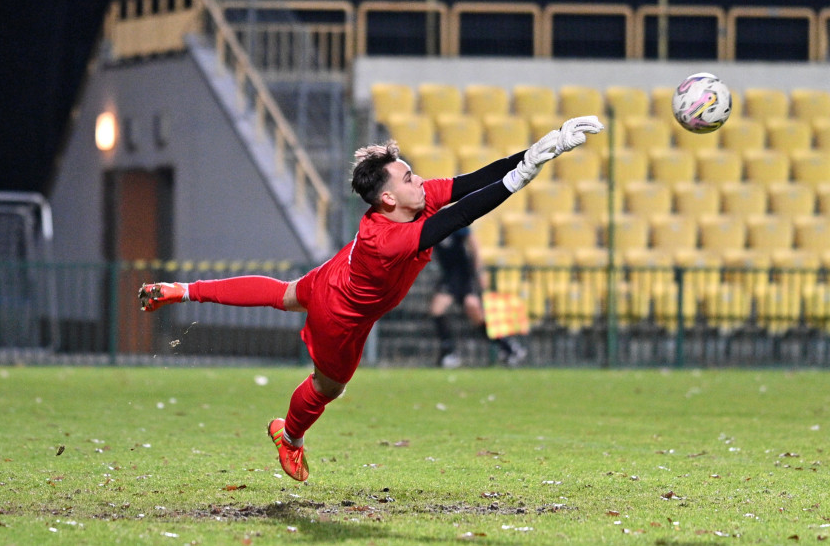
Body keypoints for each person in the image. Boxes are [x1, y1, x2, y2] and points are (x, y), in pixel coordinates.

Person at [138, 115, 604, 481]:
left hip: (335, 274)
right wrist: (521, 177)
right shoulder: (391, 240)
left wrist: (540, 150)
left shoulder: (411, 203)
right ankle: (289, 436)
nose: (419, 181)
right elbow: (460, 215)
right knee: (329, 387)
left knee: (285, 293)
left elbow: (468, 183)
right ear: (388, 200)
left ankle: (182, 290)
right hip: (339, 316)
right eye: (408, 177)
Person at [429, 225, 527, 368]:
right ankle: (507, 347)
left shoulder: (452, 222)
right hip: (449, 274)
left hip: (462, 274)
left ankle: (507, 346)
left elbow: (474, 245)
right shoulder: (430, 223)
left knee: (467, 311)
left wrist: (480, 271)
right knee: (445, 310)